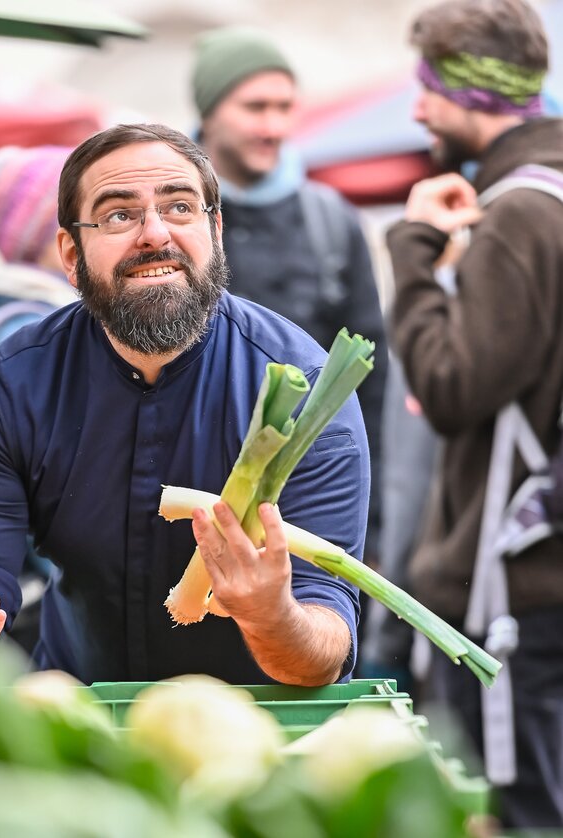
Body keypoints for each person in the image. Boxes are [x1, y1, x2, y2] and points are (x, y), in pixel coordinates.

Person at [0, 122, 370, 695]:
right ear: (71, 254)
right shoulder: (7, 388)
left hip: (261, 729)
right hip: (78, 726)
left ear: (215, 231)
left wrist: (273, 618)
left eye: (179, 207)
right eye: (120, 214)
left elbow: (323, 649)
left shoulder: (307, 393)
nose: (154, 234)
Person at [386, 0, 563, 828]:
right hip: (539, 573)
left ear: (475, 92)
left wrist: (415, 251)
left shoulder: (523, 214)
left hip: (511, 596)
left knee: (519, 815)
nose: (417, 108)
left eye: (427, 86)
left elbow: (453, 387)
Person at [189, 27, 387, 573]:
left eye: (284, 107)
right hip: (189, 503)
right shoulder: (168, 218)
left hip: (308, 512)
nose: (273, 126)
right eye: (254, 106)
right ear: (208, 111)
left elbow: (376, 383)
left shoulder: (332, 222)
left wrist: (374, 520)